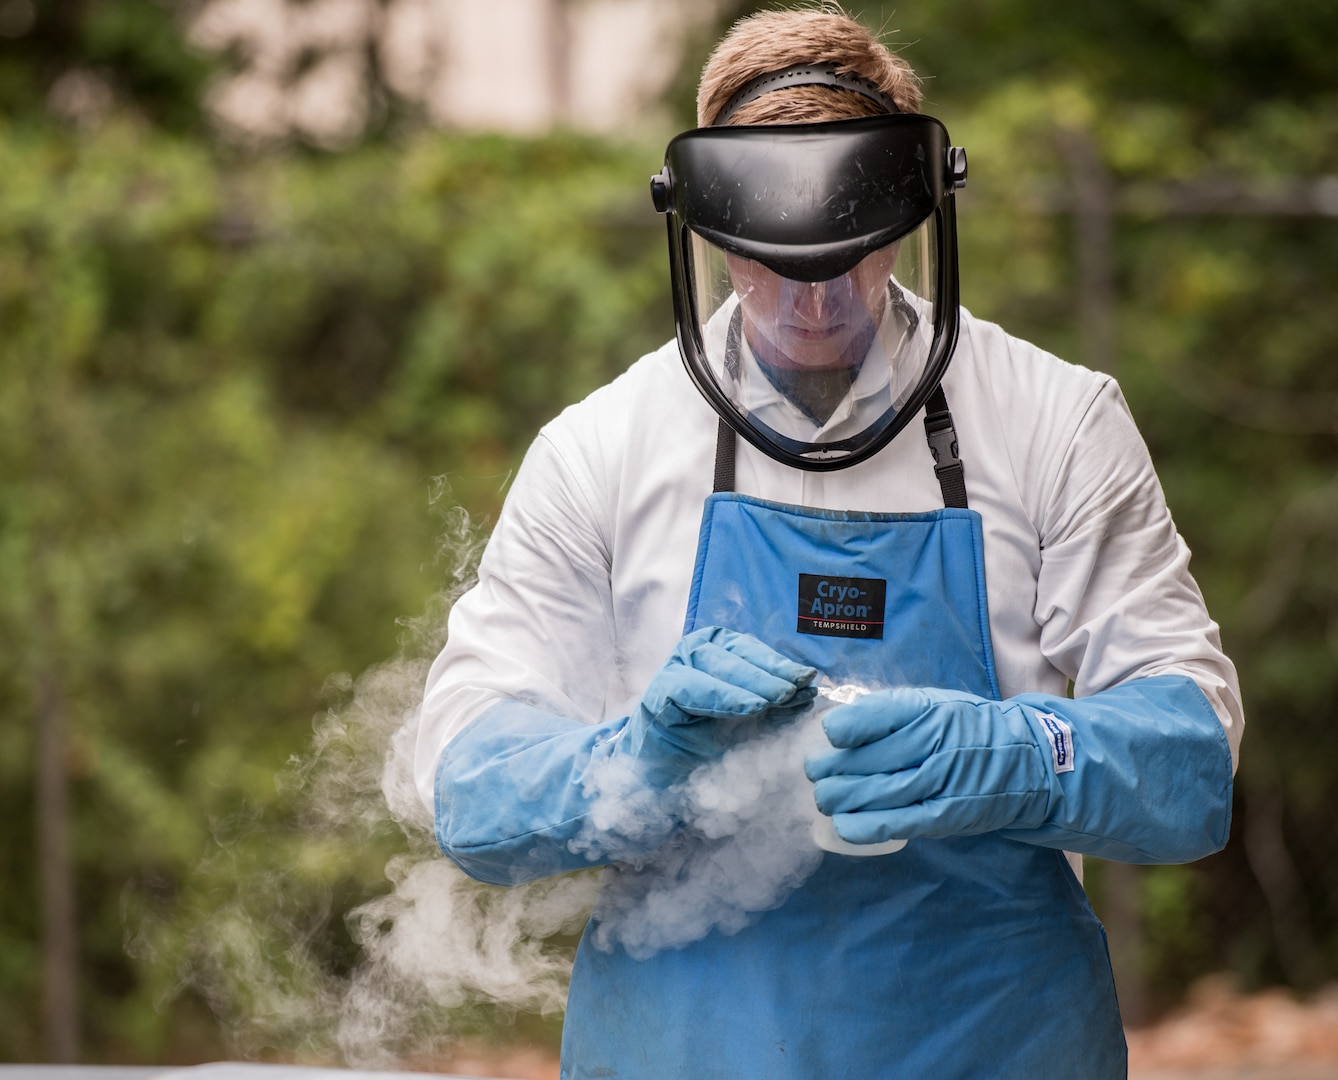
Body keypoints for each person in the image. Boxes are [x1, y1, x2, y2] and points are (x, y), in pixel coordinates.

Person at [416, 7, 1242, 1078]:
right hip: (685, 1049)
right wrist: (632, 764)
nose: (814, 296)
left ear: (909, 213)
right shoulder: (603, 450)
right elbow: (473, 795)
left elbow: (1191, 768)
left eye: (849, 249)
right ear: (707, 228)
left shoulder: (1055, 421)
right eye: (770, 257)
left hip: (992, 1041)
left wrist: (1019, 754)